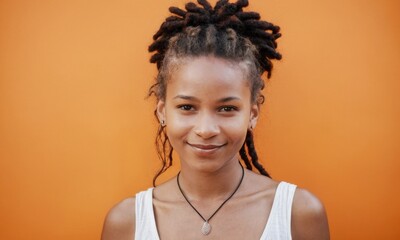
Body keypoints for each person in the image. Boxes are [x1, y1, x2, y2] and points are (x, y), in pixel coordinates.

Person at [101, 0, 330, 239]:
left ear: (252, 115)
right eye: (187, 106)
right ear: (162, 112)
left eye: (227, 108)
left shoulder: (298, 214)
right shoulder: (127, 222)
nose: (206, 129)